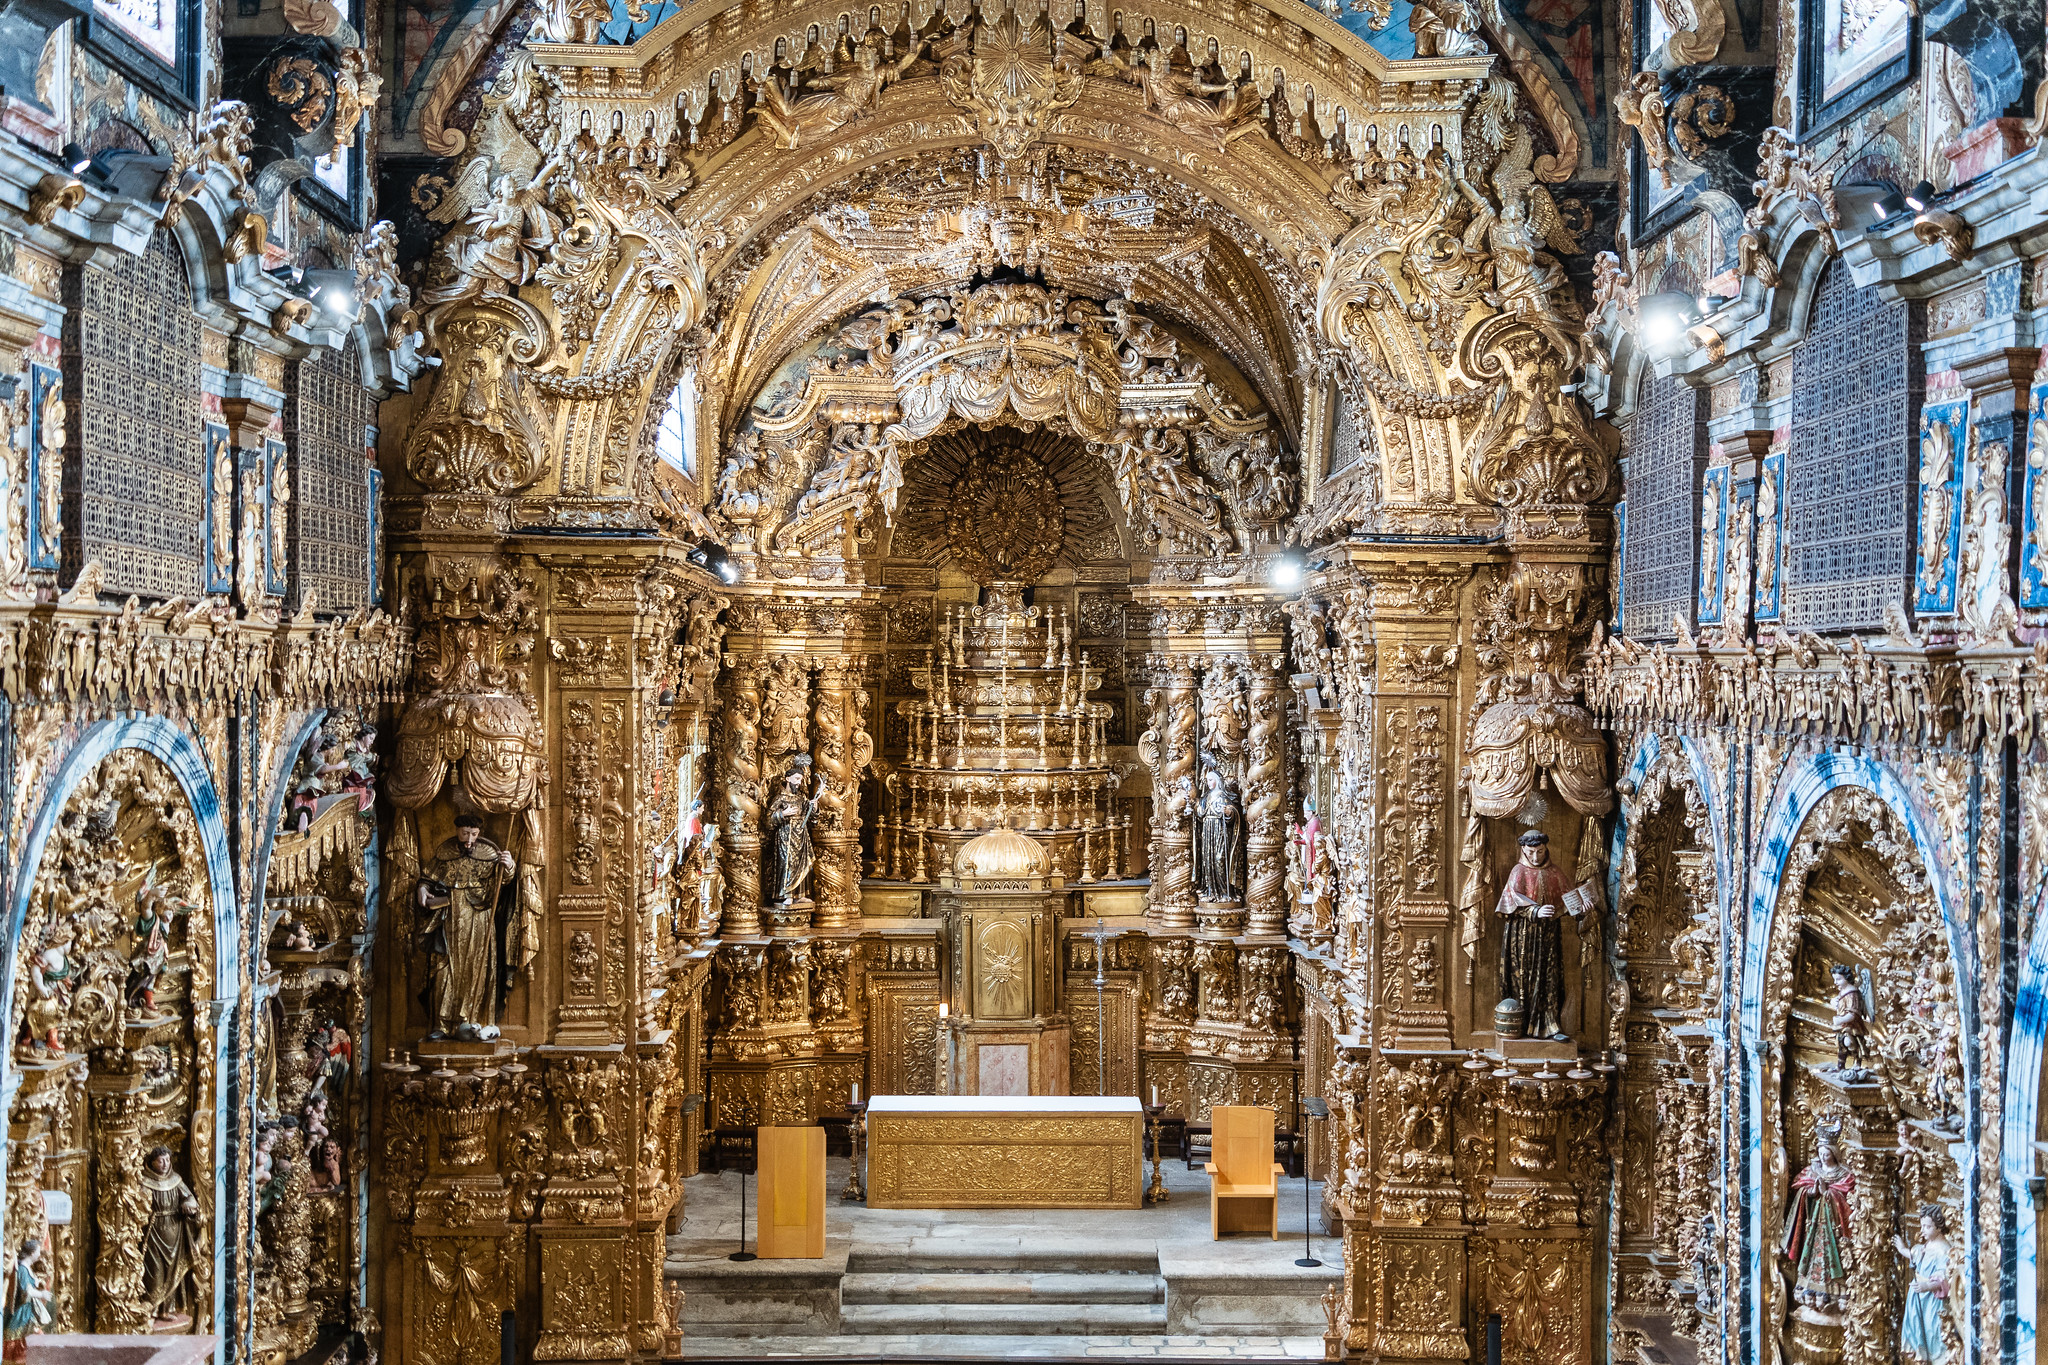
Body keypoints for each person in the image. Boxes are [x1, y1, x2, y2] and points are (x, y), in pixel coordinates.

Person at [418, 814, 517, 1039]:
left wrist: (508, 866)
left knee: (478, 971)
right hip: (450, 920)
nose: (469, 840)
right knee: (445, 969)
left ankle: (474, 1021)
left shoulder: (490, 855)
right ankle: (442, 1024)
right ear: (457, 831)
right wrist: (422, 890)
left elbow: (506, 882)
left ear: (479, 833)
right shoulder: (445, 854)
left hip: (480, 919)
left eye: (473, 834)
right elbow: (427, 878)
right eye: (464, 834)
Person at [1494, 830, 1579, 1040]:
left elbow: (1567, 901)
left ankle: (1550, 1025)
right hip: (1523, 936)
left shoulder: (1555, 873)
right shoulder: (1518, 872)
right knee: (1525, 979)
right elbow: (1509, 905)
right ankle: (1521, 1026)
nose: (1535, 857)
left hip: (1548, 936)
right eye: (1531, 852)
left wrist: (1579, 907)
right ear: (1523, 849)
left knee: (1548, 978)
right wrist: (1535, 911)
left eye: (1540, 851)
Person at [1781, 1127, 1855, 1310]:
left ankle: (1835, 1289)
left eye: (1827, 1154)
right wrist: (1812, 1192)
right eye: (1820, 1153)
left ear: (1834, 1154)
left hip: (1833, 1227)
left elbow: (1850, 1200)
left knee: (1833, 1255)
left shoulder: (1844, 1175)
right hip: (1813, 1226)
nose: (1823, 1157)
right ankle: (1809, 1286)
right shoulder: (1811, 1171)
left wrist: (1828, 1194)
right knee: (1812, 1254)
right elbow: (1800, 1189)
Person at [140, 1146, 200, 1326]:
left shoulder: (176, 1180)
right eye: (160, 1161)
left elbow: (190, 1198)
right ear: (152, 1163)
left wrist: (188, 1204)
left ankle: (166, 1309)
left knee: (172, 1270)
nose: (165, 1164)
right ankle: (151, 1307)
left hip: (175, 1230)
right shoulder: (144, 1181)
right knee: (154, 1271)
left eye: (167, 1160)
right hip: (154, 1231)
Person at [1894, 1205, 1951, 1362]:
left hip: (1932, 1302)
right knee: (1919, 1331)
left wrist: (1927, 1286)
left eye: (1927, 1226)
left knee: (1932, 1333)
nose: (1923, 1230)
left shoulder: (1943, 1249)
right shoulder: (1927, 1245)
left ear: (1939, 1227)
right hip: (1919, 1297)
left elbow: (1944, 1277)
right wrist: (1902, 1249)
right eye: (1921, 1226)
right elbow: (1915, 1256)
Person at [763, 760, 820, 905]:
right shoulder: (780, 798)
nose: (798, 783)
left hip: (801, 834)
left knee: (802, 864)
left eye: (800, 780)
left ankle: (800, 894)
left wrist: (814, 806)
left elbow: (812, 816)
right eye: (796, 779)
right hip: (786, 836)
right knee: (788, 863)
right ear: (788, 779)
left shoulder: (801, 798)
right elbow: (768, 819)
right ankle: (788, 894)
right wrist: (783, 813)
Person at [1194, 767, 1245, 903]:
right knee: (1208, 862)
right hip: (1208, 832)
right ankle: (1210, 890)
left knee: (1219, 860)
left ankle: (1224, 892)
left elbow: (1233, 813)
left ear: (1217, 780)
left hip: (1220, 832)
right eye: (1207, 780)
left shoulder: (1224, 797)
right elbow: (1200, 814)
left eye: (1210, 780)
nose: (1208, 783)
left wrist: (1229, 812)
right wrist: (1195, 806)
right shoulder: (1206, 797)